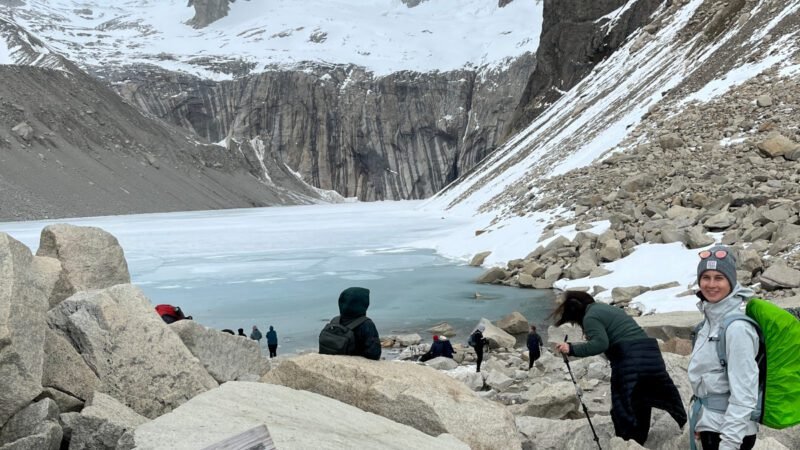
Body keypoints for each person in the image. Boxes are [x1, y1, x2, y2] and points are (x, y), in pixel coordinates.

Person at [552, 290, 687, 445]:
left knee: (623, 406)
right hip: (651, 355)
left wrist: (571, 349)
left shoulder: (590, 317)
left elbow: (600, 344)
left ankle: (628, 443)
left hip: (628, 359)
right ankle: (685, 426)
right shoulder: (608, 309)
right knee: (645, 399)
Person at [688, 246, 759, 450]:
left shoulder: (737, 329)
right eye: (706, 277)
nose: (711, 285)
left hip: (730, 434)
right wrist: (702, 419)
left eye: (719, 277)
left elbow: (745, 393)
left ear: (731, 281)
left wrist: (729, 443)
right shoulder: (707, 324)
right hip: (712, 425)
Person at [320, 286, 381, 360]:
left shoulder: (335, 320)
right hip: (356, 363)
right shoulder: (367, 324)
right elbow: (374, 353)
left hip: (334, 360)